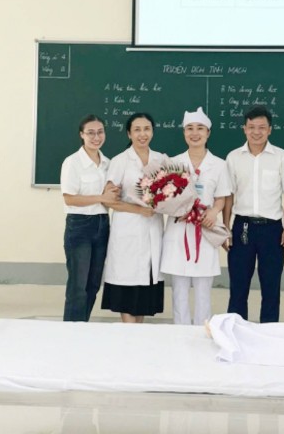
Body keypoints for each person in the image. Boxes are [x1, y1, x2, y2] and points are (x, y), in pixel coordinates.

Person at [223, 105, 284, 323]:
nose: (256, 132)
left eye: (262, 127)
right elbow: (228, 195)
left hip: (272, 230)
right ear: (244, 129)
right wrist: (225, 228)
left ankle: (268, 334)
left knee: (271, 288)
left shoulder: (281, 157)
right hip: (242, 228)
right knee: (238, 287)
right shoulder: (233, 157)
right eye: (252, 127)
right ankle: (235, 332)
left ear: (270, 130)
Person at [160, 107, 231, 325]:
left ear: (208, 133)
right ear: (184, 133)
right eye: (189, 128)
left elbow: (222, 197)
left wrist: (214, 212)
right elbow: (165, 198)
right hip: (179, 230)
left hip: (205, 229)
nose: (194, 133)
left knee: (203, 291)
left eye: (200, 128)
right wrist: (178, 210)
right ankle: (180, 333)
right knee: (179, 291)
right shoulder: (173, 163)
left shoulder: (220, 165)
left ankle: (203, 331)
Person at [101, 112, 165, 323]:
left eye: (146, 129)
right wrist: (139, 210)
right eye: (137, 130)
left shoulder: (161, 160)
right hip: (127, 228)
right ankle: (130, 333)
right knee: (126, 284)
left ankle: (138, 333)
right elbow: (108, 200)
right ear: (129, 134)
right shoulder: (120, 161)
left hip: (152, 228)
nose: (142, 134)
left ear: (152, 132)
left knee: (145, 286)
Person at [60, 115, 119, 322]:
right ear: (82, 135)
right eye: (91, 133)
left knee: (93, 284)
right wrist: (101, 197)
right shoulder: (73, 162)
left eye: (100, 132)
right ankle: (71, 330)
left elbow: (112, 195)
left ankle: (82, 325)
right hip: (80, 226)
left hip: (102, 224)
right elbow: (69, 198)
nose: (96, 137)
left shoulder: (108, 163)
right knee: (78, 285)